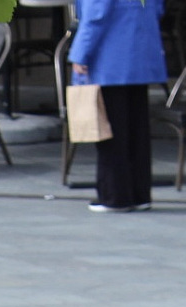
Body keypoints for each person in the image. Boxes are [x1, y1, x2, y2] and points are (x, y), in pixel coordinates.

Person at [69, 0, 167, 214]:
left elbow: (96, 14)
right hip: (140, 51)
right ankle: (139, 194)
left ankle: (115, 195)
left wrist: (80, 52)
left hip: (110, 55)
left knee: (111, 132)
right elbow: (158, 8)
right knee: (137, 129)